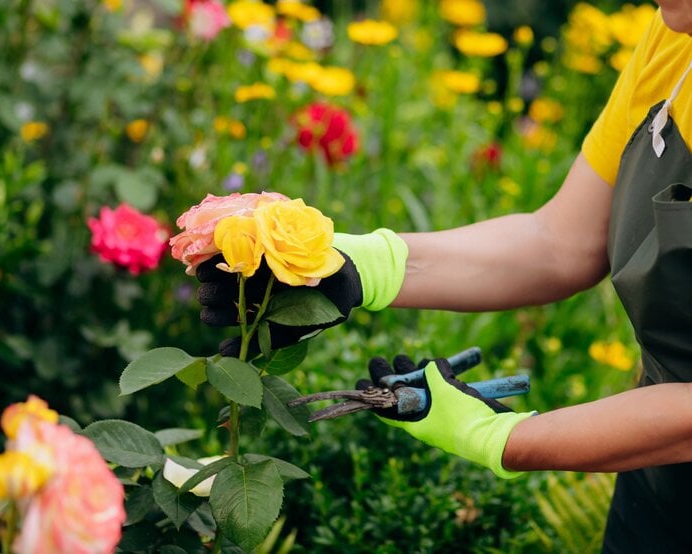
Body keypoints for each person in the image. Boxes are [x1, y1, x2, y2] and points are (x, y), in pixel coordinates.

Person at [196, 4, 692, 552]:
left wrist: (503, 438)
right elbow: (562, 242)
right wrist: (358, 265)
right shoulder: (677, 39)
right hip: (655, 500)